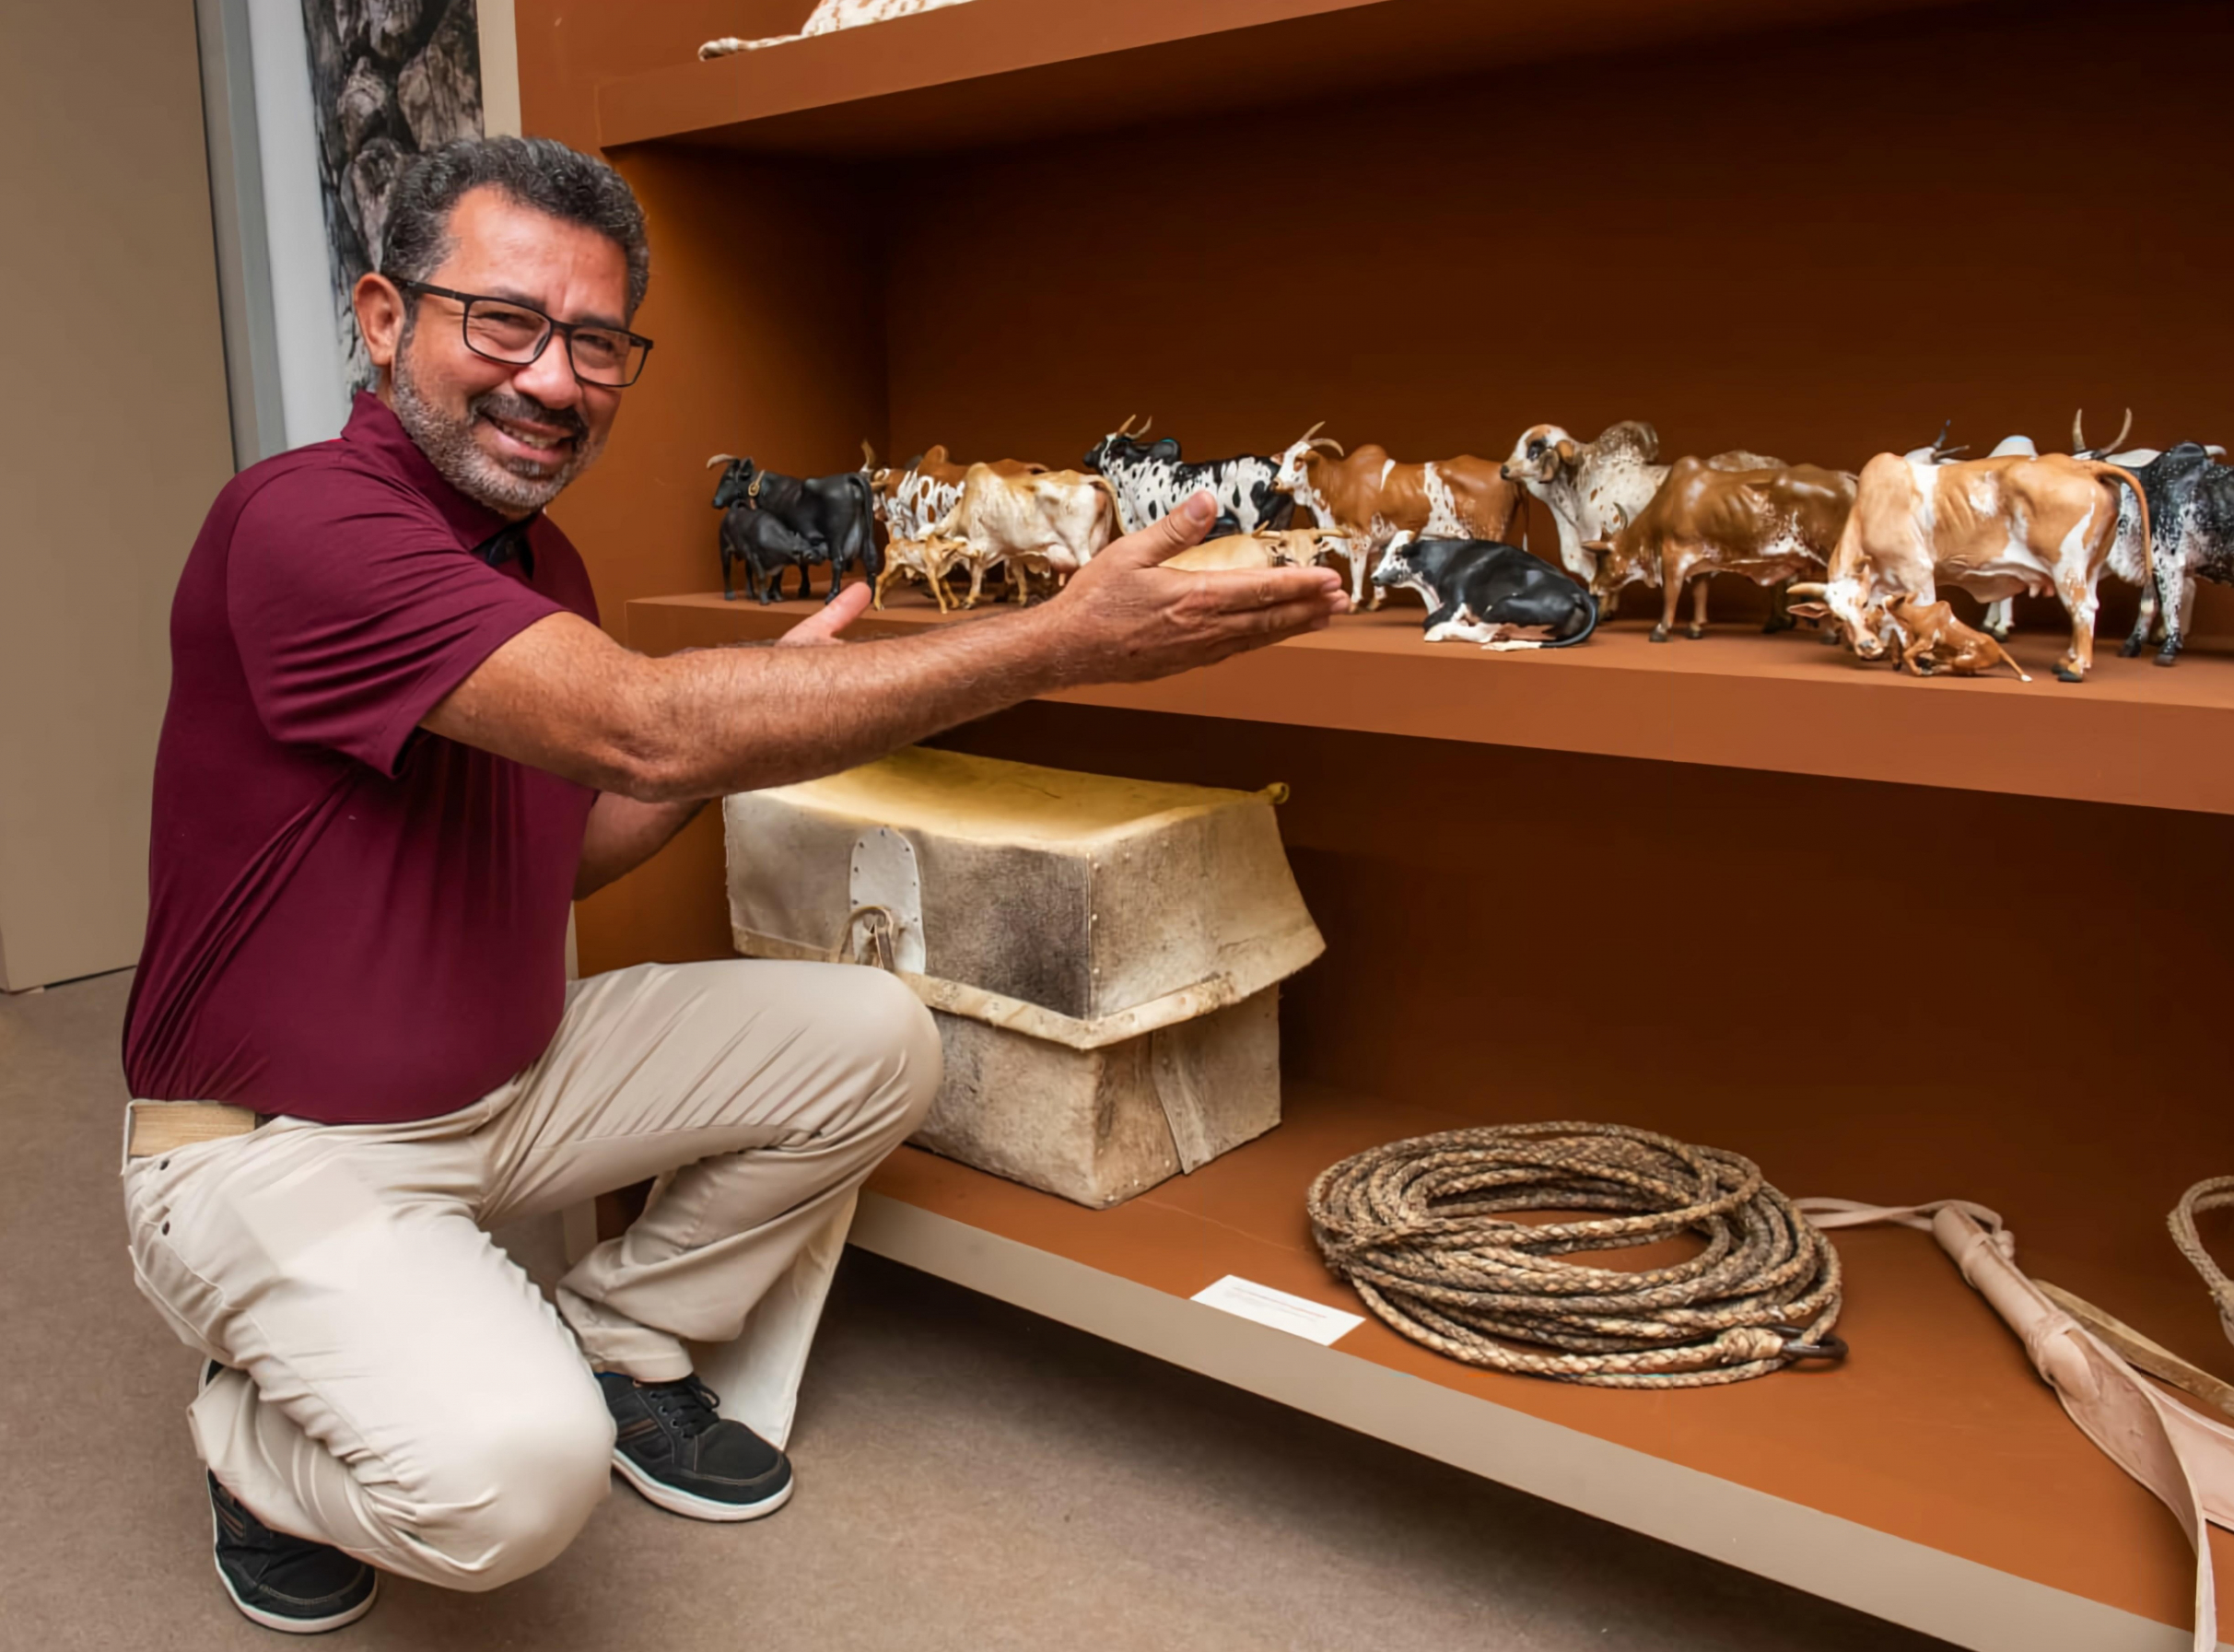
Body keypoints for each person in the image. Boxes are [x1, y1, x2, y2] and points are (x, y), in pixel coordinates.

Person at [119, 135, 1346, 1634]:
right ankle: (251, 1447)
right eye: (500, 323)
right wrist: (1055, 642)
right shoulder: (302, 527)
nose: (552, 382)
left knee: (874, 1037)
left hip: (506, 1083)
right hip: (268, 1144)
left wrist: (737, 738)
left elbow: (564, 849)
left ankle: (620, 1333)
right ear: (385, 319)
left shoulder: (534, 561)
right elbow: (640, 719)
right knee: (514, 1486)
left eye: (595, 344)